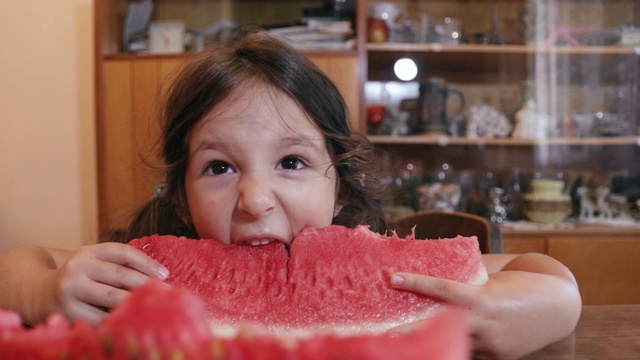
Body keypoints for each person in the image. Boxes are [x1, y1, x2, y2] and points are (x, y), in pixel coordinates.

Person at [0, 28, 580, 359]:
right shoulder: (145, 272)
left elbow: (548, 278)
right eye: (220, 167)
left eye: (293, 162)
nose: (256, 198)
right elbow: (19, 265)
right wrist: (44, 290)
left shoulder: (389, 271)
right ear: (180, 195)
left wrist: (531, 310)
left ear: (340, 180)